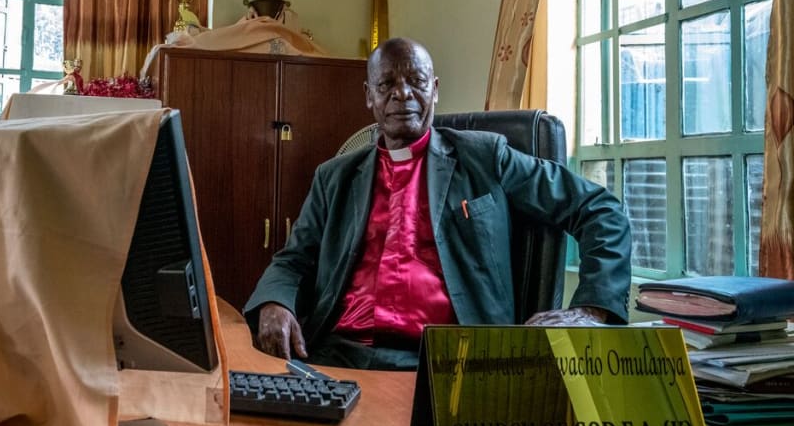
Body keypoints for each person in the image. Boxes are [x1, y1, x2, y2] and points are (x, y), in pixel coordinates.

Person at [243, 37, 632, 370]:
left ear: (435, 89)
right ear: (369, 96)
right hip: (341, 354)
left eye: (416, 81)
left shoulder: (486, 157)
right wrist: (274, 301)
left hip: (451, 360)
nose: (402, 94)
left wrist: (591, 310)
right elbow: (294, 260)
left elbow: (599, 209)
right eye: (387, 84)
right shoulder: (335, 176)